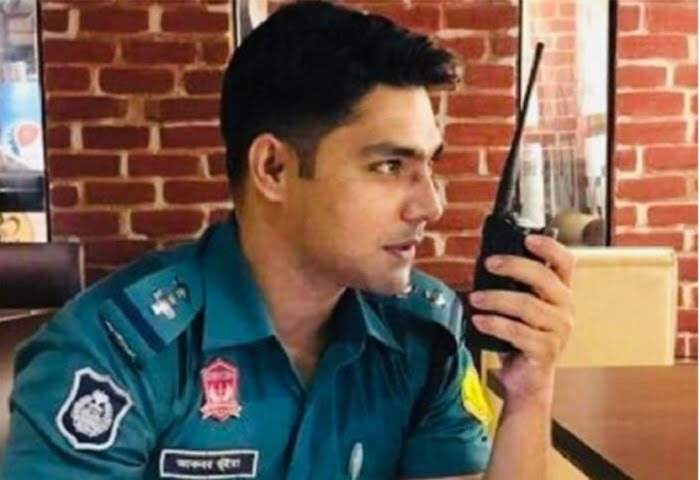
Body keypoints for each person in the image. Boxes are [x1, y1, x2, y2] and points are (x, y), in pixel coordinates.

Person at [1, 1, 574, 478]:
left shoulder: (421, 336)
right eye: (389, 166)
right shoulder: (114, 354)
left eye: (430, 165)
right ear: (273, 169)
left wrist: (529, 397)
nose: (430, 204)